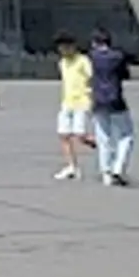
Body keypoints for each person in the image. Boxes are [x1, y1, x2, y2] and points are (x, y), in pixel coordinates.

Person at [85, 31, 138, 187]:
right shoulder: (117, 56)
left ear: (95, 43)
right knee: (126, 134)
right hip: (115, 99)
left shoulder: (92, 57)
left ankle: (106, 172)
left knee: (103, 137)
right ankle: (119, 168)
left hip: (98, 100)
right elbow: (125, 72)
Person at [51, 36, 95, 180]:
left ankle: (103, 144)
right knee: (64, 135)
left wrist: (92, 95)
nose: (63, 50)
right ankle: (71, 167)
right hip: (67, 102)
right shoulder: (62, 63)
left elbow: (92, 78)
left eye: (65, 47)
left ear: (73, 46)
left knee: (80, 135)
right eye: (60, 48)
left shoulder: (83, 61)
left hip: (82, 102)